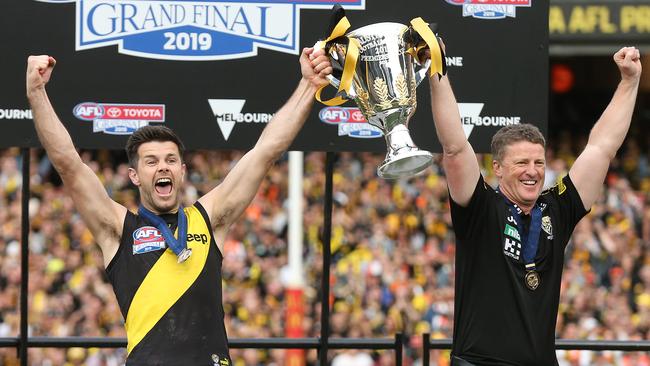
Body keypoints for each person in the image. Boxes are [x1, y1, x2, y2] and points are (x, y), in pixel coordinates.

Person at [25, 48, 332, 365]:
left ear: (182, 171)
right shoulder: (118, 229)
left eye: (171, 160)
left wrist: (309, 86)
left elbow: (267, 150)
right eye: (151, 161)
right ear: (134, 175)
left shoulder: (208, 218)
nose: (163, 167)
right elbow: (68, 165)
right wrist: (36, 93)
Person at [427, 45, 642, 365]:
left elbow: (601, 147)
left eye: (539, 162)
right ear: (497, 168)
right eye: (522, 162)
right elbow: (455, 147)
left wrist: (629, 82)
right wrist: (436, 70)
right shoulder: (480, 207)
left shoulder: (557, 208)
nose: (532, 171)